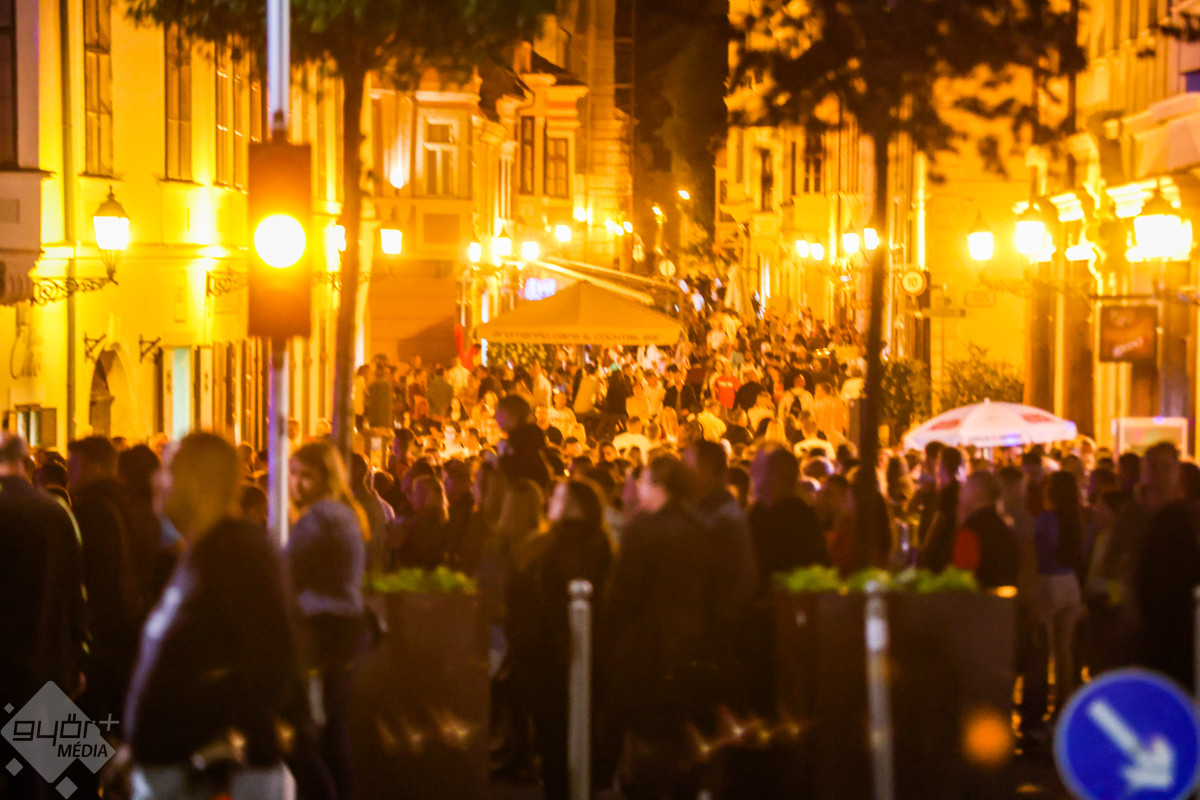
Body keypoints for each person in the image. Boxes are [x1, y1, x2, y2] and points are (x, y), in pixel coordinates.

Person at [123, 433, 301, 800]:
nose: (157, 479)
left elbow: (272, 662)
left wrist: (221, 761)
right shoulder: (201, 551)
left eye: (170, 469)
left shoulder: (239, 553)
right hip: (178, 772)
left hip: (215, 780)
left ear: (200, 483)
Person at [598, 455, 722, 799]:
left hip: (648, 648)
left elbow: (623, 595)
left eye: (643, 482)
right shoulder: (702, 528)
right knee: (682, 740)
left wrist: (609, 638)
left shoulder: (645, 530)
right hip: (692, 645)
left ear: (659, 486)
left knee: (648, 742)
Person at [506, 480, 613, 800]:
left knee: (557, 736)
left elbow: (548, 595)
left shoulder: (567, 544)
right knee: (573, 735)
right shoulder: (575, 543)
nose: (551, 500)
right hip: (561, 652)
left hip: (552, 653)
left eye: (561, 497)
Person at [0, 433, 88, 800]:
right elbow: (75, 593)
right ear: (28, 464)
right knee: (54, 786)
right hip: (47, 667)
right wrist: (77, 658)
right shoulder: (56, 512)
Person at [288, 442, 369, 800]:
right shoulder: (343, 514)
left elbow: (288, 569)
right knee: (333, 735)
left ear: (327, 478)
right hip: (343, 628)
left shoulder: (320, 518)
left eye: (306, 475)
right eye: (293, 473)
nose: (296, 483)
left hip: (323, 631)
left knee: (305, 739)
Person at [69, 436, 142, 731]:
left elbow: (83, 575)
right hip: (127, 634)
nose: (70, 473)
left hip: (98, 637)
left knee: (67, 736)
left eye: (74, 465)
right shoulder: (132, 506)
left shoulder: (91, 511)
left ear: (95, 467)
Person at [1033, 471, 1084, 717]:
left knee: (1044, 648)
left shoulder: (1045, 520)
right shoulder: (1075, 520)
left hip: (1047, 582)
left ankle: (1043, 705)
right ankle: (1065, 701)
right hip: (1070, 583)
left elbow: (1033, 549)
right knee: (1064, 650)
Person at [952, 471, 1019, 590]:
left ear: (975, 494)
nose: (960, 495)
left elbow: (963, 575)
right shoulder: (1005, 525)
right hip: (1006, 596)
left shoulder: (972, 529)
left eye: (965, 489)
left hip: (979, 597)